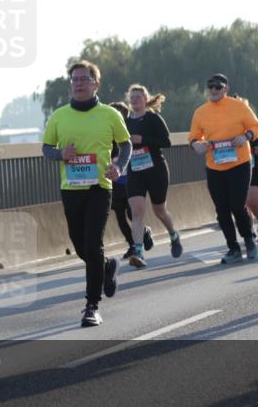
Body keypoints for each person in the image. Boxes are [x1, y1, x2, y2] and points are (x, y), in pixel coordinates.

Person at [42, 60, 131, 327]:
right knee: (80, 245)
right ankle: (105, 267)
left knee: (93, 244)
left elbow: (125, 145)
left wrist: (119, 166)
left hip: (99, 187)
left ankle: (92, 305)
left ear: (95, 84)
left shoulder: (109, 114)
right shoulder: (59, 116)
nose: (78, 83)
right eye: (75, 80)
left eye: (84, 79)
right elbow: (46, 149)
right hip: (71, 189)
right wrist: (61, 154)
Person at [188, 74, 258, 264]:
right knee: (221, 209)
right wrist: (196, 144)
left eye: (218, 87)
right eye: (210, 87)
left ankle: (249, 240)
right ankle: (233, 248)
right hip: (214, 166)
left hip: (239, 163)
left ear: (226, 89)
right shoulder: (201, 112)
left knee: (237, 205)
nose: (213, 90)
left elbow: (256, 126)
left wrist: (246, 136)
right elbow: (194, 136)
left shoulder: (239, 106)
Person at [123, 84, 183, 268]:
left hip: (156, 170)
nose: (134, 100)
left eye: (138, 97)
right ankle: (138, 252)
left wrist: (144, 140)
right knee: (136, 211)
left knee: (159, 211)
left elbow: (166, 141)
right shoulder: (124, 122)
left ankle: (173, 235)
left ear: (146, 99)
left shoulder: (153, 119)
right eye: (132, 98)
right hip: (135, 172)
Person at [108, 102, 153, 260]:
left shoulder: (127, 133)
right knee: (120, 216)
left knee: (130, 213)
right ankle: (132, 245)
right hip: (115, 181)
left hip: (131, 179)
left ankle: (144, 232)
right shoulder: (107, 134)